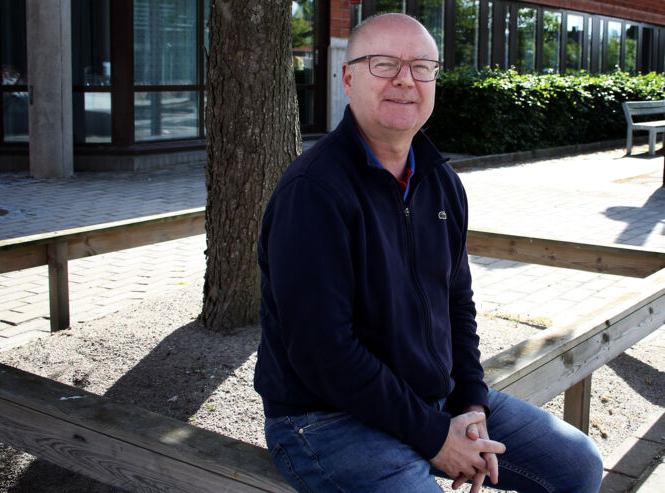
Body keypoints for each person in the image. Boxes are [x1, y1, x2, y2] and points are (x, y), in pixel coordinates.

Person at [254, 13, 603, 492]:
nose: (405, 79)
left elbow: (456, 303)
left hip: (433, 401)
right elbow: (321, 352)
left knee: (577, 463)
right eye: (384, 64)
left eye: (422, 66)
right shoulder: (312, 192)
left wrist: (471, 405)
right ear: (348, 77)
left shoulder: (440, 182)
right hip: (325, 419)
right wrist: (436, 436)